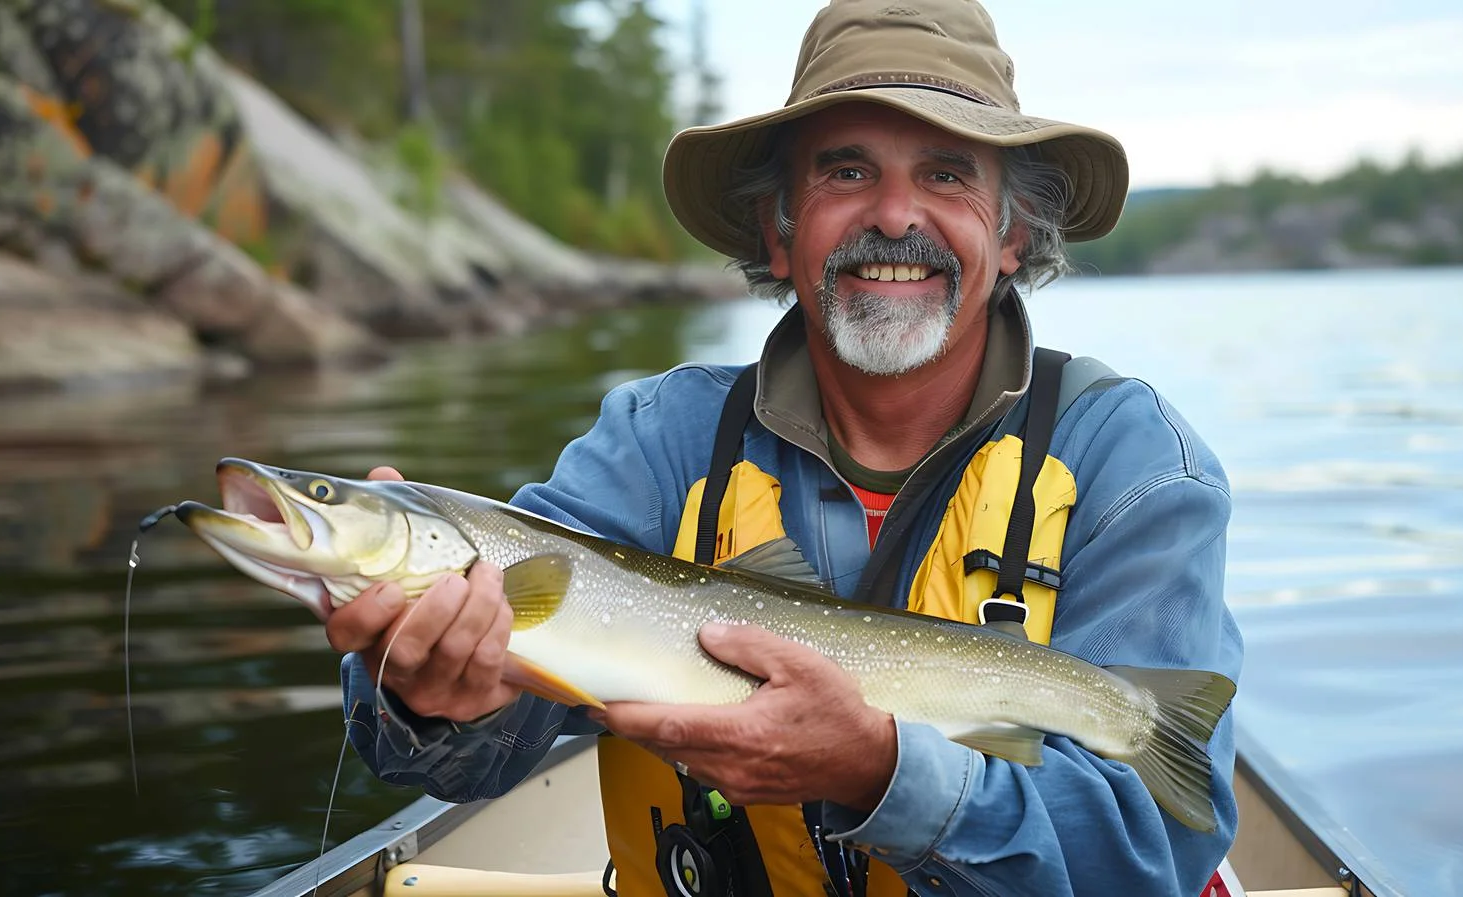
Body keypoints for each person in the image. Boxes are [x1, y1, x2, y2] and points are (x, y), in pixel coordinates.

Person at [329, 1, 1243, 895]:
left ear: (1010, 234)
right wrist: (428, 697)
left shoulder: (1134, 466)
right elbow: (460, 757)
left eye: (947, 174)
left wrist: (880, 769)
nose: (894, 216)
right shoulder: (659, 446)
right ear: (778, 230)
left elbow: (1146, 859)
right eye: (845, 173)